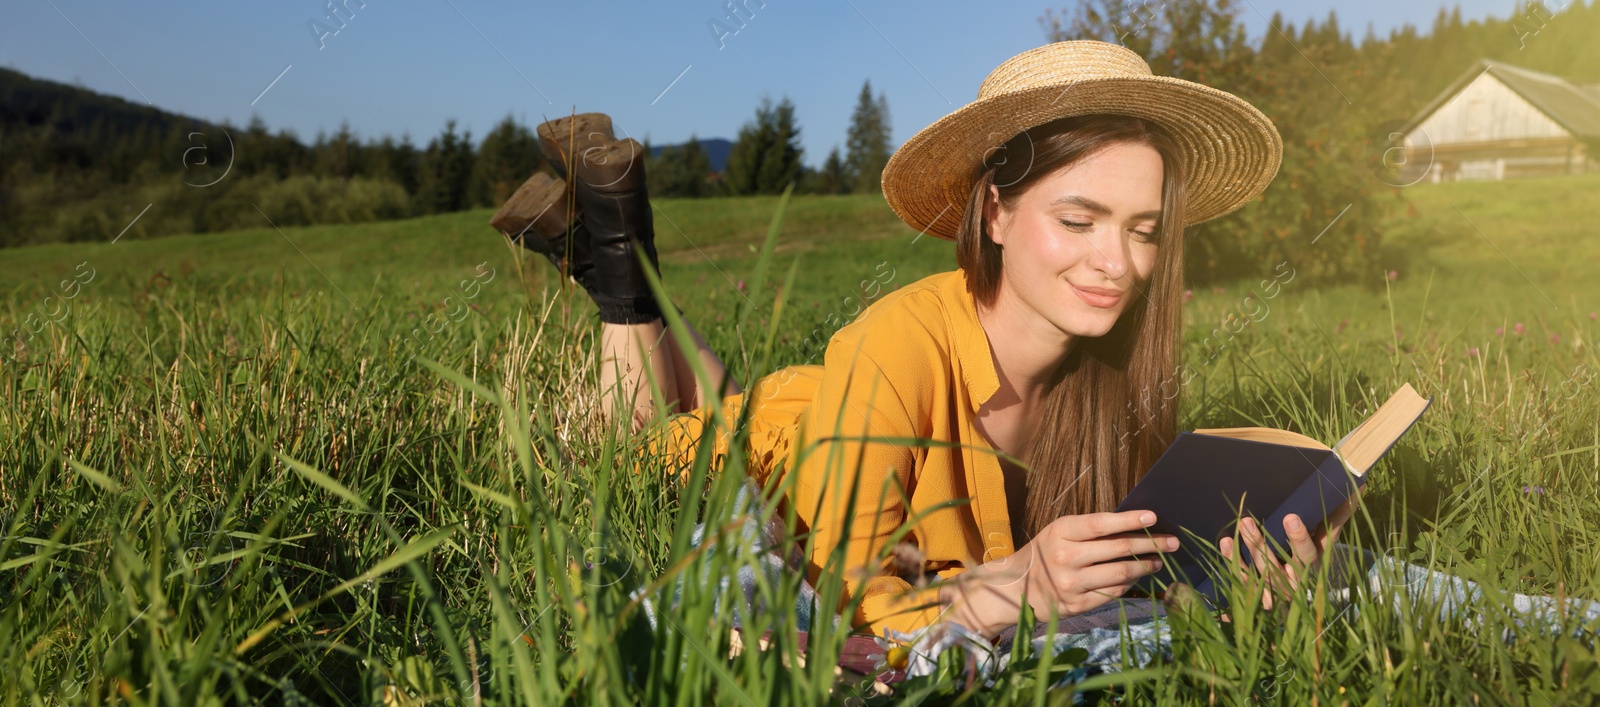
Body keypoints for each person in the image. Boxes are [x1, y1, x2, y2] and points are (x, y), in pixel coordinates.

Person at [493, 41, 1599, 674]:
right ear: (996, 211)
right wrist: (1000, 587)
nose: (1116, 261)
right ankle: (618, 265)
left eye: (1144, 226)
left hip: (822, 406)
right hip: (801, 435)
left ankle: (611, 247)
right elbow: (833, 602)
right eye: (1078, 217)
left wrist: (1261, 576)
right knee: (652, 435)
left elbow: (1136, 567)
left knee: (719, 387)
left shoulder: (1119, 377)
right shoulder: (893, 339)